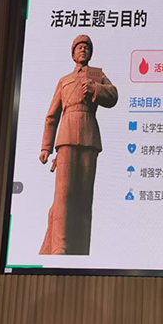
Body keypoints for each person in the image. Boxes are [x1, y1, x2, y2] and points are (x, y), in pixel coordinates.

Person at [39, 35, 118, 255]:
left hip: (89, 136)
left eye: (86, 48)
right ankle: (59, 246)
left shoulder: (97, 75)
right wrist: (46, 147)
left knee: (84, 196)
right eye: (79, 47)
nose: (83, 50)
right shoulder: (64, 80)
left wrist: (95, 88)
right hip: (66, 136)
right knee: (63, 195)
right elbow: (52, 116)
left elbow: (113, 95)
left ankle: (81, 248)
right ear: (73, 53)